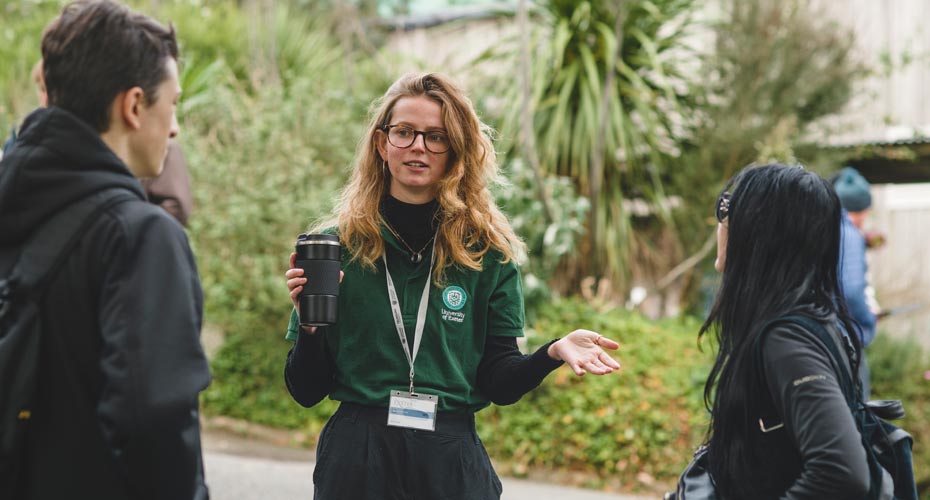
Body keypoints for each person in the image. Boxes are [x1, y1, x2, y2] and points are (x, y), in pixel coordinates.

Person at [283, 72, 621, 500]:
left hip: (449, 459)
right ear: (382, 145)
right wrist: (310, 327)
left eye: (436, 136)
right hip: (358, 455)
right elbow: (307, 390)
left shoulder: (487, 254)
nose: (418, 146)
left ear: (454, 151)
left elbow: (499, 382)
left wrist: (552, 352)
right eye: (404, 132)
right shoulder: (336, 247)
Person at [0, 1, 210, 499]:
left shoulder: (15, 205)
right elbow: (155, 424)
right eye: (173, 103)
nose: (175, 127)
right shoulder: (141, 236)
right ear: (134, 106)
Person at [699, 164, 869, 498]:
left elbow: (841, 472)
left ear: (759, 231)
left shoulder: (786, 339)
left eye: (729, 209)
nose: (722, 222)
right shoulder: (803, 321)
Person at [2, 58, 194, 226]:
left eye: (49, 89)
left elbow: (176, 206)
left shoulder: (165, 150)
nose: (46, 97)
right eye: (42, 89)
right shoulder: (29, 144)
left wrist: (133, 220)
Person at [833, 166, 879, 399]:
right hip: (847, 339)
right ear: (860, 210)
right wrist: (868, 320)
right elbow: (850, 290)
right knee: (858, 413)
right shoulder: (848, 234)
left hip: (828, 335)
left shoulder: (827, 229)